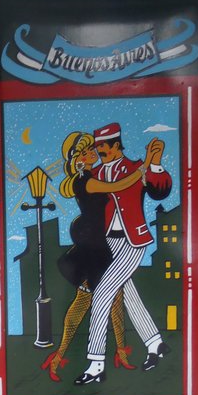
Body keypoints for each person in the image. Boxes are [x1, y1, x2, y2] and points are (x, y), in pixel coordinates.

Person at [42, 131, 159, 381]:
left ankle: (120, 352)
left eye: (91, 149)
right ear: (77, 160)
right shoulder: (85, 180)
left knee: (115, 297)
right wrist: (145, 165)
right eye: (84, 152)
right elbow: (119, 186)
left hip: (101, 245)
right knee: (90, 301)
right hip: (92, 248)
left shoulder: (94, 174)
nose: (91, 153)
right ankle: (64, 356)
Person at [74, 122, 172, 385]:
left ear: (117, 145)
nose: (100, 151)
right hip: (107, 243)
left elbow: (160, 189)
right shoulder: (94, 175)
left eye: (103, 147)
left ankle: (95, 363)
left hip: (133, 240)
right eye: (98, 148)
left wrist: (155, 164)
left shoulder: (135, 167)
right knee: (129, 295)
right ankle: (155, 343)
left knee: (103, 293)